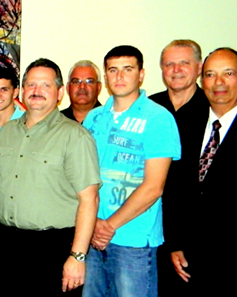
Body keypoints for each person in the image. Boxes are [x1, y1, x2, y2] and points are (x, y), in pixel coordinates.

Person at [0, 58, 100, 296]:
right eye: (31, 85)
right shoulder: (7, 132)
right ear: (22, 91)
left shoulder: (75, 136)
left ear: (59, 92)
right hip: (9, 243)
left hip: (54, 247)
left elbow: (90, 200)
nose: (36, 91)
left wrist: (77, 256)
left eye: (45, 85)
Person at [165, 48, 237, 295]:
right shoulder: (183, 122)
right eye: (210, 75)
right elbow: (172, 187)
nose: (218, 82)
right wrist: (174, 242)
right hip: (186, 264)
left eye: (228, 73)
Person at [82, 46, 181, 297]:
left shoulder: (158, 118)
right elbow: (81, 177)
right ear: (105, 77)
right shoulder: (93, 118)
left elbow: (154, 187)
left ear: (141, 74)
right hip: (91, 235)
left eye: (127, 69)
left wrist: (109, 226)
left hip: (133, 241)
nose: (119, 76)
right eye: (113, 70)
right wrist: (92, 225)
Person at [146, 39, 209, 296]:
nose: (176, 69)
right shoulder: (149, 108)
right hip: (148, 227)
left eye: (184, 63)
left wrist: (178, 240)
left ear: (199, 67)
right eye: (169, 64)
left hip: (192, 234)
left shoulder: (212, 110)